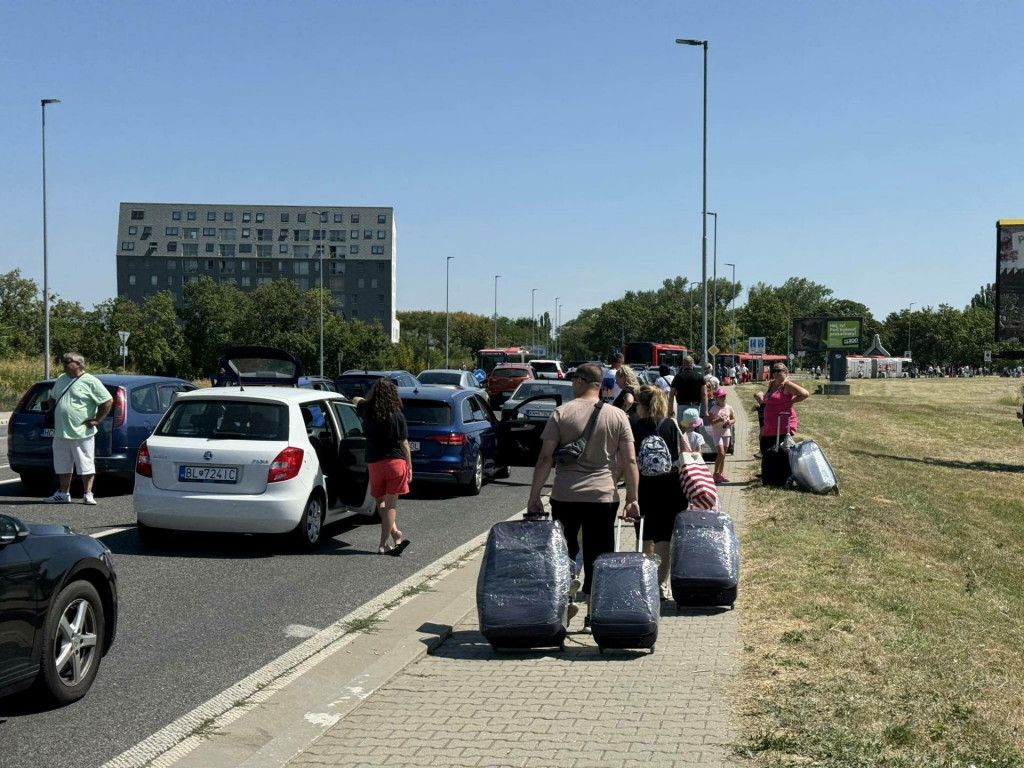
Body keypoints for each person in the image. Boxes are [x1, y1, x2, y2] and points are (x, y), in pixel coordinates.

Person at [527, 363, 639, 628]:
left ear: (579, 381)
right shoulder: (617, 415)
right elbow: (631, 460)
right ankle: (594, 612)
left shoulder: (561, 413)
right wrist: (633, 499)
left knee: (565, 551)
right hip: (603, 496)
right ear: (600, 386)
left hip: (565, 495)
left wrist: (534, 496)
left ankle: (564, 603)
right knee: (599, 555)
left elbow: (545, 458)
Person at [630, 386, 684, 600]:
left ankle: (646, 582)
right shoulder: (671, 425)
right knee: (664, 536)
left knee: (645, 533)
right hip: (670, 485)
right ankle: (662, 585)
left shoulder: (634, 426)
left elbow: (630, 459)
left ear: (641, 405)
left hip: (643, 486)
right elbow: (678, 456)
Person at [44, 352, 113, 505]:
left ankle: (88, 493)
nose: (65, 364)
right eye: (64, 361)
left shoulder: (91, 381)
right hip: (61, 430)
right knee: (62, 463)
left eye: (68, 361)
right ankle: (63, 493)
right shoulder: (62, 379)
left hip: (81, 431)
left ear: (79, 364)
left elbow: (107, 401)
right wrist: (53, 413)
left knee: (85, 463)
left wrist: (97, 419)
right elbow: (52, 398)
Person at [354, 379, 412, 556]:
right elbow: (404, 443)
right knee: (391, 506)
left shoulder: (366, 410)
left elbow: (356, 399)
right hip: (396, 463)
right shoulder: (397, 415)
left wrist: (367, 400)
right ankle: (383, 544)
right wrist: (409, 465)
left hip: (375, 463)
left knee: (381, 503)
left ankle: (395, 534)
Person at [753, 363, 809, 455]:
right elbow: (770, 398)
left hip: (781, 425)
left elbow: (805, 394)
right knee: (765, 450)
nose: (775, 373)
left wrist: (791, 402)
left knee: (778, 455)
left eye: (778, 371)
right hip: (769, 425)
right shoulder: (772, 383)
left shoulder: (787, 385)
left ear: (785, 372)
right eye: (773, 371)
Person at [708, 388, 735, 483]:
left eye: (724, 396)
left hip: (726, 433)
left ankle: (721, 473)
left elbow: (733, 420)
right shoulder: (713, 409)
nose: (723, 398)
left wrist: (729, 422)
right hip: (717, 433)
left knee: (723, 455)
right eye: (721, 397)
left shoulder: (729, 407)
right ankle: (715, 473)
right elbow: (710, 422)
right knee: (721, 453)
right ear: (716, 398)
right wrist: (718, 420)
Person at [669, 356, 705, 422]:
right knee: (695, 427)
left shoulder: (678, 377)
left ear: (683, 364)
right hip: (695, 406)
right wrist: (705, 410)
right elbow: (704, 394)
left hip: (681, 406)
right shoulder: (700, 377)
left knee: (682, 428)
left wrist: (670, 409)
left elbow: (671, 394)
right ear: (693, 364)